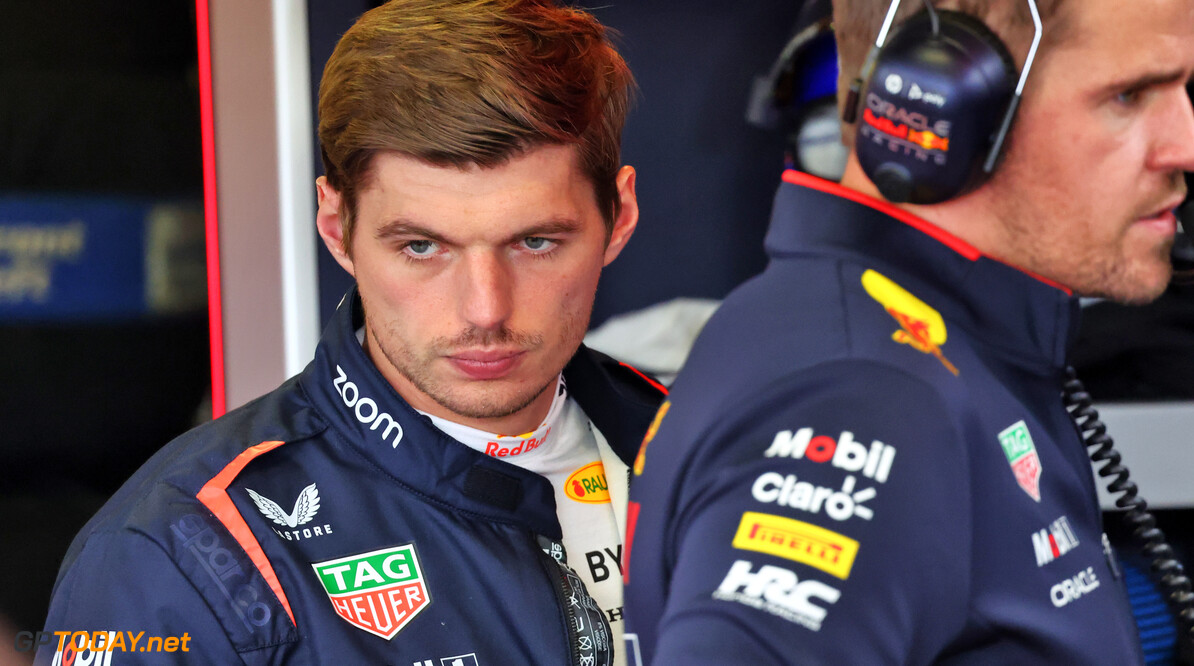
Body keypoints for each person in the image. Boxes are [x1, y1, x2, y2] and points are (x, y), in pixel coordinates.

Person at [36, 1, 665, 664]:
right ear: (337, 230)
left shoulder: (719, 452)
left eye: (536, 242)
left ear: (618, 217)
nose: (485, 309)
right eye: (422, 247)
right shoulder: (180, 547)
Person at [624, 0, 1194, 662]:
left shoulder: (929, 350)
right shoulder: (865, 397)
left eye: (1183, 88)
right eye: (1128, 95)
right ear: (947, 100)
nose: (1185, 141)